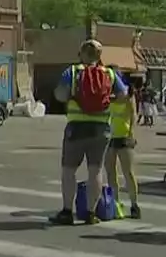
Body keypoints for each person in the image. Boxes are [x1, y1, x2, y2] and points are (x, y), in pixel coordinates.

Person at [49, 40, 128, 226]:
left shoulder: (73, 72)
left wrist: (71, 97)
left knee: (69, 170)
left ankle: (67, 211)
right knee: (95, 170)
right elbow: (124, 95)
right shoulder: (110, 74)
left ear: (82, 54)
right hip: (101, 128)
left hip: (76, 127)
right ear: (99, 56)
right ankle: (92, 213)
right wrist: (108, 100)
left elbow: (60, 95)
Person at [106, 73, 143, 219]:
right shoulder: (106, 94)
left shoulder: (128, 94)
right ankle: (115, 203)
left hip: (124, 135)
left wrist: (131, 134)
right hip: (109, 136)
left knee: (128, 172)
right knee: (110, 172)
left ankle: (134, 204)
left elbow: (133, 114)